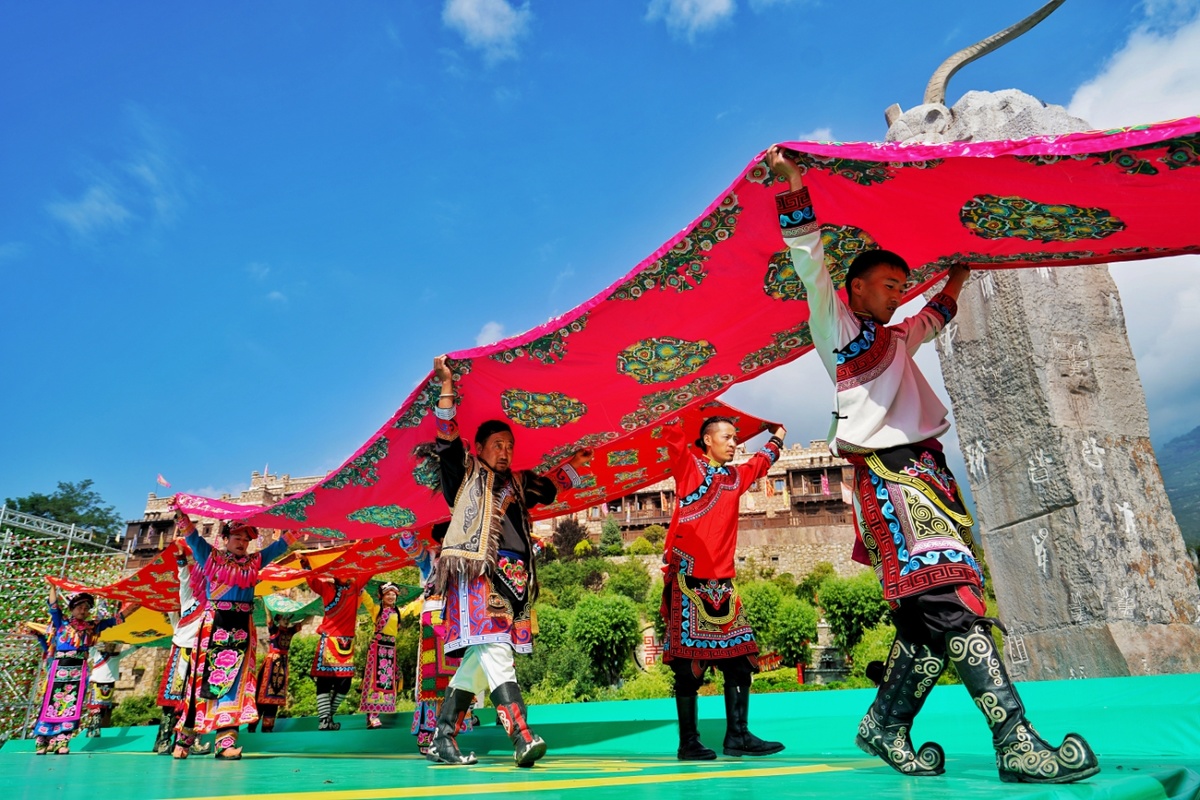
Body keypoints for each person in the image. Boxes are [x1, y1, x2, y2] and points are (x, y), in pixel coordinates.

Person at [765, 147, 1099, 785]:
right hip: (890, 477)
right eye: (887, 284)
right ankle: (1016, 742)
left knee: (925, 620)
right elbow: (809, 262)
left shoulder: (897, 338)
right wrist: (793, 184)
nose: (896, 294)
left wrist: (958, 274)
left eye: (900, 285)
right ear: (855, 287)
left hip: (926, 477)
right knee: (951, 602)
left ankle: (885, 725)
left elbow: (934, 316)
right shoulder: (836, 327)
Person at [427, 355, 591, 767]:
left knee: (477, 665)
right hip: (477, 576)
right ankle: (521, 735)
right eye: (497, 445)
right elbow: (447, 439)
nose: (505, 451)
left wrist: (576, 465)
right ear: (479, 449)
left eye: (510, 446)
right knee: (496, 654)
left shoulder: (517, 483)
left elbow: (550, 490)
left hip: (514, 581)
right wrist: (446, 384)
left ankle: (442, 739)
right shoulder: (464, 477)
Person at [660, 415, 787, 760]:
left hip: (723, 583)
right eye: (727, 437)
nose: (733, 443)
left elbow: (760, 464)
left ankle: (738, 736)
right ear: (706, 440)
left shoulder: (734, 477)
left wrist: (777, 437)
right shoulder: (690, 469)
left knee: (741, 659)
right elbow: (671, 436)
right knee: (687, 667)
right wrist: (682, 398)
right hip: (688, 579)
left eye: (735, 438)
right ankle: (688, 743)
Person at [172, 509, 301, 761]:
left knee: (235, 685)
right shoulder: (209, 557)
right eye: (237, 538)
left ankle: (225, 744)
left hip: (242, 628)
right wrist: (180, 516)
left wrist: (302, 525)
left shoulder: (254, 562)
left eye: (246, 540)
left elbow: (279, 546)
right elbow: (193, 537)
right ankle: (184, 740)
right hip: (215, 627)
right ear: (226, 539)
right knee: (201, 684)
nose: (242, 543)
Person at [32, 584, 134, 755]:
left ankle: (61, 741)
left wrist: (136, 604)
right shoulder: (62, 623)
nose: (83, 610)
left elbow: (117, 619)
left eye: (86, 608)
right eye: (80, 607)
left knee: (71, 704)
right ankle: (42, 740)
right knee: (51, 703)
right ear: (72, 608)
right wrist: (52, 587)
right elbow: (53, 606)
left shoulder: (92, 627)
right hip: (59, 668)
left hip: (79, 670)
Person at [403, 527, 474, 754]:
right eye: (445, 536)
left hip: (456, 619)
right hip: (433, 618)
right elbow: (415, 551)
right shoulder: (432, 558)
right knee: (431, 679)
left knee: (459, 675)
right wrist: (407, 534)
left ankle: (449, 731)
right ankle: (427, 731)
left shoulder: (464, 559)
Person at [154, 538, 210, 755]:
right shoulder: (189, 599)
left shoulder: (214, 603)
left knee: (197, 698)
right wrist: (180, 557)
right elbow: (184, 577)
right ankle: (163, 740)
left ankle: (191, 741)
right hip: (182, 651)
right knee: (172, 697)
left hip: (202, 652)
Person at [306, 572, 370, 731]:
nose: (347, 574)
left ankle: (329, 716)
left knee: (345, 684)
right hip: (329, 639)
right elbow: (311, 578)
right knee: (324, 681)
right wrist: (306, 563)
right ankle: (324, 719)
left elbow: (369, 570)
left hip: (347, 641)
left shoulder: (355, 586)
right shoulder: (326, 587)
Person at [247, 608, 302, 733]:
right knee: (261, 695)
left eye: (288, 619)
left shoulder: (290, 632)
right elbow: (269, 620)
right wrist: (266, 606)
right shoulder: (275, 630)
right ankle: (252, 726)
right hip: (271, 665)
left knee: (275, 697)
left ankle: (268, 727)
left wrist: (313, 610)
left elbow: (303, 623)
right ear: (279, 620)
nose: (287, 621)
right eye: (284, 619)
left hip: (282, 666)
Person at [358, 582, 402, 729]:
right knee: (374, 681)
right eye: (388, 594)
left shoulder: (397, 613)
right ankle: (372, 715)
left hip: (390, 650)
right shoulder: (377, 610)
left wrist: (422, 601)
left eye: (394, 594)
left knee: (386, 682)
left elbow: (410, 609)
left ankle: (376, 714)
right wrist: (361, 589)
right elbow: (368, 601)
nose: (391, 597)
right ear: (382, 596)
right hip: (377, 649)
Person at [85, 641, 129, 736]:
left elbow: (130, 651)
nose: (110, 648)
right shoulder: (98, 655)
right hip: (99, 685)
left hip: (108, 686)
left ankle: (94, 726)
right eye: (109, 646)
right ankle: (94, 727)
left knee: (102, 708)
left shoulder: (115, 657)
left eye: (112, 646)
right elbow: (90, 647)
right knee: (97, 708)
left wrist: (139, 645)